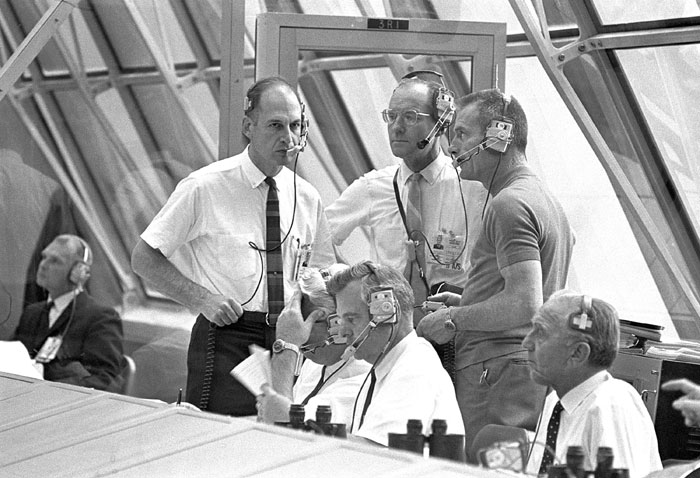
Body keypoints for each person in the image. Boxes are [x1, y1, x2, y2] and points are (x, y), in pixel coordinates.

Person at [131, 76, 335, 416]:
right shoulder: (205, 186)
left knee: (282, 440)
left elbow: (321, 274)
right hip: (227, 335)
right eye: (275, 125)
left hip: (289, 338)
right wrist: (202, 299)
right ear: (248, 126)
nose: (288, 137)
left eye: (296, 126)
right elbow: (144, 258)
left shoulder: (307, 197)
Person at [416, 88, 575, 459]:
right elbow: (532, 293)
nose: (451, 144)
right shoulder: (544, 199)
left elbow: (525, 304)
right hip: (518, 373)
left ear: (498, 136)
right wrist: (468, 299)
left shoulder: (509, 204)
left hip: (497, 375)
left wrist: (454, 318)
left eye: (462, 133)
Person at [325, 71, 486, 326]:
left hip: (453, 325)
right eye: (391, 116)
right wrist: (345, 283)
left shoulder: (471, 189)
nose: (397, 127)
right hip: (389, 327)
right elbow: (318, 238)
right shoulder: (372, 187)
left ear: (442, 121)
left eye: (410, 116)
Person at [522, 291, 662, 477]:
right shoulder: (555, 401)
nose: (526, 343)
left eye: (541, 333)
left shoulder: (612, 406)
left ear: (578, 353)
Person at [326, 261, 464, 446]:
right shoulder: (388, 366)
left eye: (351, 319)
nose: (343, 333)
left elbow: (374, 454)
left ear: (388, 312)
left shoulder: (415, 368)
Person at [257, 265, 371, 426]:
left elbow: (286, 432)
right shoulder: (315, 362)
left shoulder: (362, 378)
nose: (298, 329)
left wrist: (286, 346)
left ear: (337, 323)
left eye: (304, 319)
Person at [13, 234, 125, 392]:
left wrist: (52, 387)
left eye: (55, 261)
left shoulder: (101, 318)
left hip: (61, 403)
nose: (43, 265)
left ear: (78, 272)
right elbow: (13, 358)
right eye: (44, 257)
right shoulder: (32, 313)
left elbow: (104, 379)